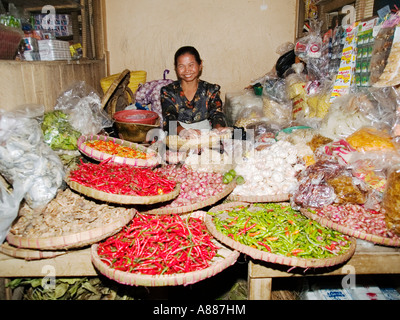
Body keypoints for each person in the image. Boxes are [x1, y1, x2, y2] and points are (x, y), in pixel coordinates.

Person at [160, 46, 227, 137]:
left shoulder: (211, 90)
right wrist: (184, 132)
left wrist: (218, 129)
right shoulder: (168, 91)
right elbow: (169, 118)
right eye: (181, 66)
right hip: (177, 136)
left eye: (191, 65)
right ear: (176, 68)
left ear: (200, 65)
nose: (187, 70)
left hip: (205, 136)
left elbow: (217, 115)